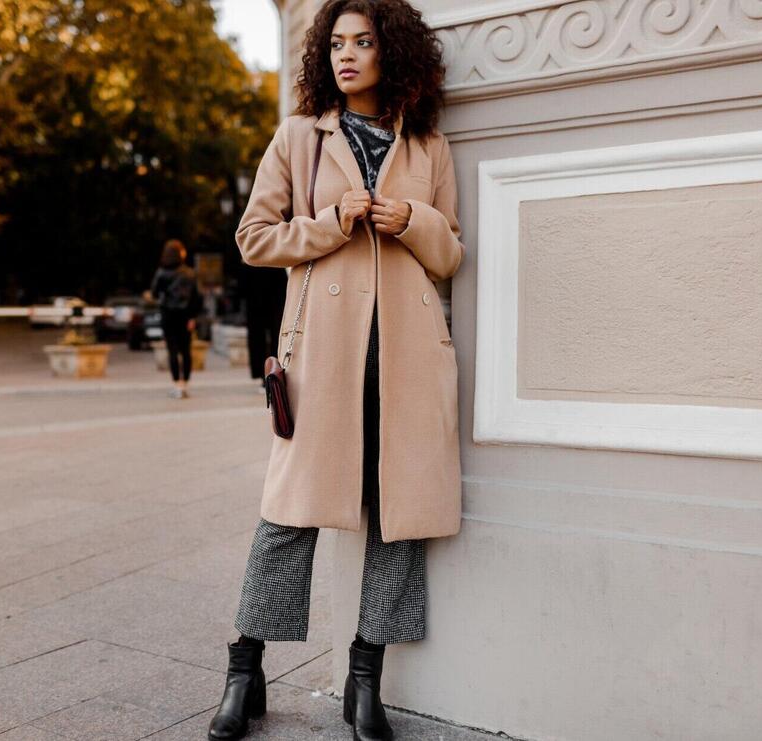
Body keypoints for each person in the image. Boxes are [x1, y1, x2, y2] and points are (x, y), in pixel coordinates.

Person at [208, 1, 466, 739]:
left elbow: (451, 250)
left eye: (364, 42)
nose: (345, 55)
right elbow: (254, 237)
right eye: (337, 43)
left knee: (400, 516)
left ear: (395, 53)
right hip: (322, 351)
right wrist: (333, 223)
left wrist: (409, 219)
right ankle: (244, 666)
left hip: (409, 355)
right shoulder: (299, 137)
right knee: (287, 512)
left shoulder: (429, 144)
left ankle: (365, 679)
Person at [146, 239, 202, 399]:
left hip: (168, 315)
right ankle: (185, 383)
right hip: (185, 316)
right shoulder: (190, 273)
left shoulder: (161, 273)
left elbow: (155, 293)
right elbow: (197, 297)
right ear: (180, 253)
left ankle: (176, 384)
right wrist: (193, 316)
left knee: (172, 350)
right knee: (186, 350)